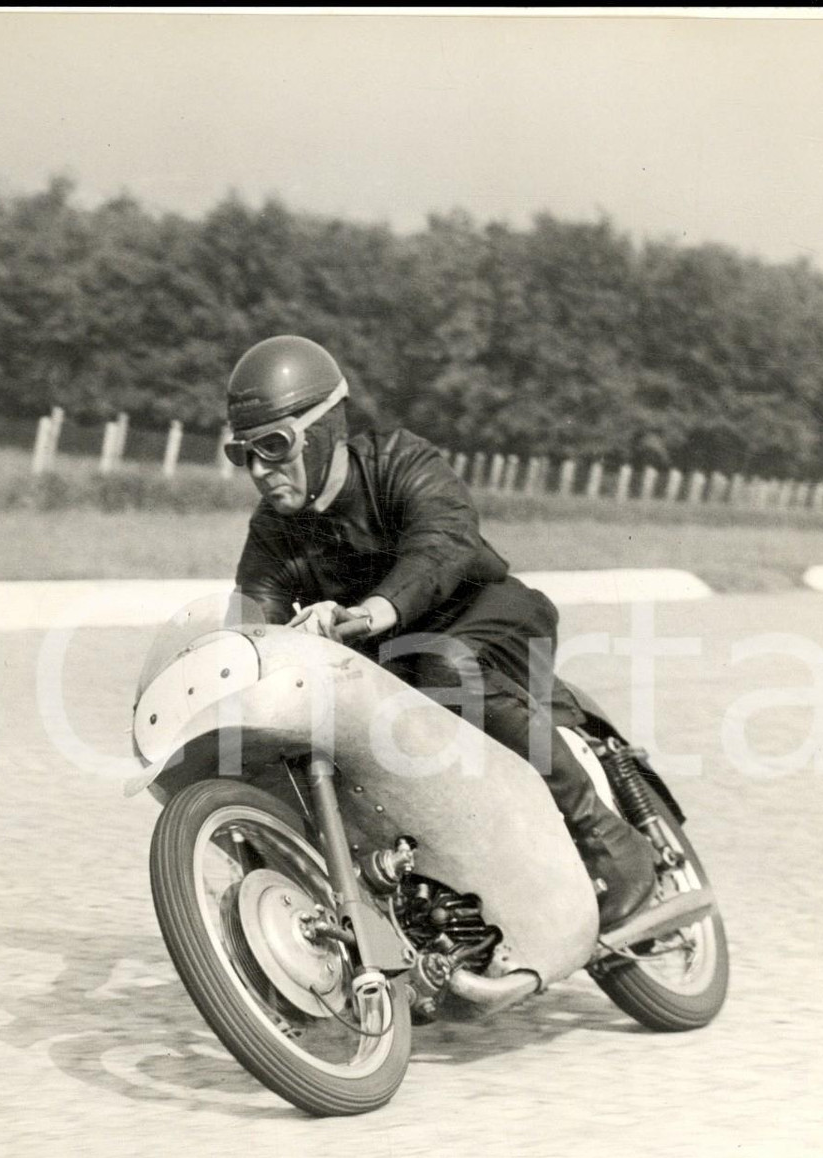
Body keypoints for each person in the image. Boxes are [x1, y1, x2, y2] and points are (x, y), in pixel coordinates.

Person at [227, 335, 655, 929]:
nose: (259, 470)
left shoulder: (400, 463)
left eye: (273, 446)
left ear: (322, 428)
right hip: (395, 661)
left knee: (445, 668)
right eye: (242, 453)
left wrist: (375, 610)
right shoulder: (274, 531)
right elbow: (254, 615)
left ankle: (608, 838)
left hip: (489, 619)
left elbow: (443, 542)